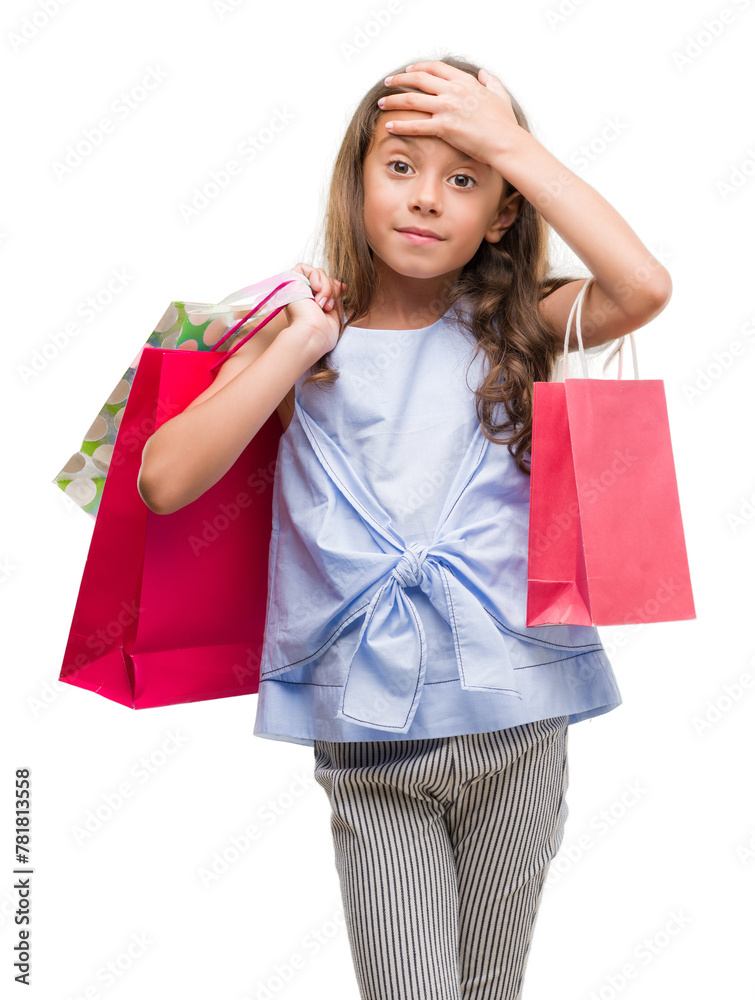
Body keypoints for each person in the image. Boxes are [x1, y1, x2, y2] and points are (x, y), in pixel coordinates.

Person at [138, 54, 672, 1000]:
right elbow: (165, 480)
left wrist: (509, 141)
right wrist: (298, 342)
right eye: (399, 168)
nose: (427, 199)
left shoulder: (514, 326)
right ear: (354, 182)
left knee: (486, 991)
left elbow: (641, 287)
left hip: (521, 715)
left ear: (501, 213)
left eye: (463, 177)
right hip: (372, 729)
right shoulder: (300, 332)